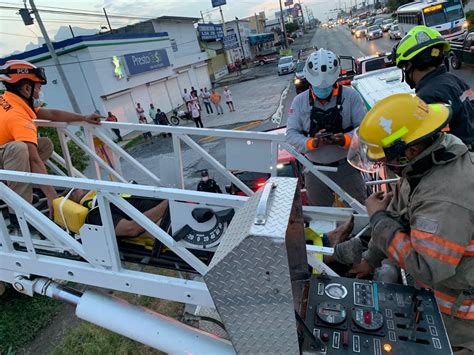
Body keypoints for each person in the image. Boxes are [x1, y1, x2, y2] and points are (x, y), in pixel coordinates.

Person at [346, 93, 474, 352]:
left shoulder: (445, 197)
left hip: (462, 328)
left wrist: (378, 218)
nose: (384, 165)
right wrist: (369, 259)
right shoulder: (428, 161)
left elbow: (425, 267)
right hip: (439, 307)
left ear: (411, 149)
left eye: (384, 159)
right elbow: (399, 214)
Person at [0, 60, 101, 228]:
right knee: (20, 148)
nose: (40, 92)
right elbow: (34, 160)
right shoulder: (18, 117)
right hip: (7, 156)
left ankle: (18, 187)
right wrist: (51, 196)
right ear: (26, 88)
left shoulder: (12, 100)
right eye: (38, 87)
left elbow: (52, 113)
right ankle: (19, 213)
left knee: (45, 144)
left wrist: (83, 117)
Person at [286, 48, 367, 206]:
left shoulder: (350, 97)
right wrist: (311, 143)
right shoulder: (299, 102)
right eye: (318, 86)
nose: (323, 88)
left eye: (327, 85)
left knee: (360, 208)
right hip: (314, 169)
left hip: (346, 166)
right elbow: (291, 134)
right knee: (322, 214)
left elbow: (364, 128)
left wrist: (345, 139)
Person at [394, 26, 473, 150]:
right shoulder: (454, 80)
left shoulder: (426, 97)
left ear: (409, 65)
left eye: (404, 66)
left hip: (460, 161)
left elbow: (432, 145)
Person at [68, 189, 169, 238]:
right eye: (73, 188)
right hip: (166, 219)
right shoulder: (96, 213)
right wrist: (166, 205)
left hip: (171, 206)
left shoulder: (109, 191)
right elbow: (131, 229)